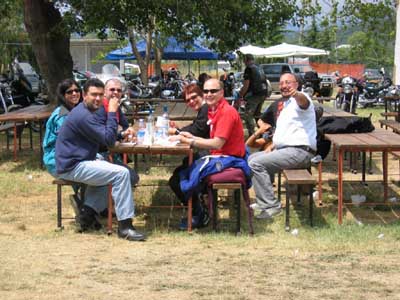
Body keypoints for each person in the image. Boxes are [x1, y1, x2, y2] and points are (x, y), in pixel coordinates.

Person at [55, 78, 145, 241]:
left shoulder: (87, 111)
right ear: (84, 95)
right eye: (93, 95)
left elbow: (101, 134)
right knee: (121, 173)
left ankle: (86, 214)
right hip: (72, 166)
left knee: (112, 172)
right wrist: (111, 112)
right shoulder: (83, 114)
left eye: (100, 95)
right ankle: (125, 227)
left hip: (81, 160)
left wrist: (120, 134)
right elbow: (108, 141)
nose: (97, 98)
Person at [169, 78, 250, 229]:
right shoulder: (216, 110)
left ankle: (199, 214)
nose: (208, 94)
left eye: (213, 91)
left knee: (180, 177)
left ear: (222, 92)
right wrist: (189, 136)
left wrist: (189, 141)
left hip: (228, 159)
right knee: (182, 171)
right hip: (220, 156)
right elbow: (204, 134)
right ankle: (198, 209)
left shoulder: (225, 112)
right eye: (206, 91)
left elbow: (217, 143)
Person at [248, 73, 317, 219]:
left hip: (300, 152)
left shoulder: (302, 99)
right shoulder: (284, 104)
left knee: (256, 163)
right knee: (251, 158)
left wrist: (297, 94)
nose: (284, 86)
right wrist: (273, 146)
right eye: (281, 83)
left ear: (296, 84)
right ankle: (263, 201)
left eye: (288, 83)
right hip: (285, 150)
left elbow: (303, 101)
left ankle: (271, 206)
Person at [168, 84, 210, 228]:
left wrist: (177, 132)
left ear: (202, 95)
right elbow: (197, 127)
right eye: (188, 100)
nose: (191, 102)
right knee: (179, 173)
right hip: (208, 153)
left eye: (194, 97)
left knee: (176, 179)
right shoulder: (204, 109)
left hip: (212, 155)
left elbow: (198, 129)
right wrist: (179, 131)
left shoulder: (206, 109)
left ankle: (199, 213)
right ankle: (198, 208)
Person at [43, 78, 81, 176]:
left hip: (69, 157)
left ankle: (84, 191)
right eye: (70, 92)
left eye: (77, 90)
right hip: (57, 161)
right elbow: (70, 141)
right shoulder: (62, 114)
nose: (74, 93)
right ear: (63, 95)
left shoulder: (74, 110)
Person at [238, 54, 269, 136]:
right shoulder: (259, 67)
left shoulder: (249, 69)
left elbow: (246, 85)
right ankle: (263, 132)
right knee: (257, 114)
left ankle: (253, 134)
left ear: (246, 60)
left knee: (248, 115)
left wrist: (241, 94)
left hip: (254, 94)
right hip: (263, 93)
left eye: (244, 60)